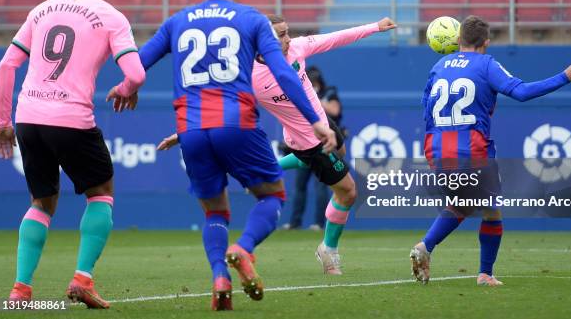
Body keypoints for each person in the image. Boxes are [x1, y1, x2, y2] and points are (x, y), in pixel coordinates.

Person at [138, 0, 334, 311]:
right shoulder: (253, 20)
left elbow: (137, 66)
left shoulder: (177, 21)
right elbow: (285, 74)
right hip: (238, 125)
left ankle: (220, 277)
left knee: (214, 213)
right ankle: (242, 249)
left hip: (193, 129)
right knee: (272, 196)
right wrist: (315, 119)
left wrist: (126, 86)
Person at [158, 14, 397, 275]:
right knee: (349, 192)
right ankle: (328, 249)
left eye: (286, 33)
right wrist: (183, 133)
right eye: (279, 35)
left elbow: (335, 38)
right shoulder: (249, 74)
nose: (285, 40)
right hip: (307, 141)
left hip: (322, 125)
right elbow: (218, 105)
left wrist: (375, 26)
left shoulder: (297, 47)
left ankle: (273, 167)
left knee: (341, 150)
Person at [0, 0, 146, 308]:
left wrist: (3, 122)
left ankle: (21, 290)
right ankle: (82, 279)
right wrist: (125, 90)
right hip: (71, 118)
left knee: (42, 201)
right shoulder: (112, 16)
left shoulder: (42, 9)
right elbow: (137, 74)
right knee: (101, 191)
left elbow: (6, 64)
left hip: (29, 116)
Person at [410, 15, 571, 286]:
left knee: (462, 204)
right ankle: (483, 273)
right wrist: (563, 77)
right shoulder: (486, 64)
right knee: (491, 210)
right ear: (486, 42)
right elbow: (521, 92)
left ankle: (427, 247)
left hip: (436, 146)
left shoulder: (439, 64)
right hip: (470, 146)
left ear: (458, 40)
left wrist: (433, 146)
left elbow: (426, 107)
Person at [285, 66, 342, 231]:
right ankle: (295, 222)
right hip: (305, 144)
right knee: (300, 185)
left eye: (316, 81)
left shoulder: (329, 93)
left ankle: (319, 223)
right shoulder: (296, 93)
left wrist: (314, 100)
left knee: (321, 186)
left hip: (325, 143)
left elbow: (335, 110)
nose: (314, 83)